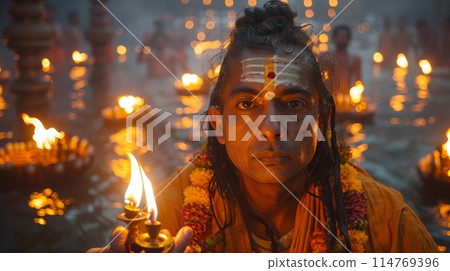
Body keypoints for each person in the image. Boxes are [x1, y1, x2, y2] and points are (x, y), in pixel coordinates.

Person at [89, 0, 438, 253]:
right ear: (218, 126)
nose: (271, 127)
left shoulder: (390, 224)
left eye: (294, 103)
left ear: (323, 121)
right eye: (246, 105)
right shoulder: (166, 220)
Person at [328, 25, 362, 111]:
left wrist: (357, 100)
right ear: (334, 39)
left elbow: (358, 83)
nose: (342, 40)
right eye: (339, 37)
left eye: (344, 37)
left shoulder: (355, 59)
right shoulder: (325, 58)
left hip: (347, 100)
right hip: (331, 100)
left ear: (348, 40)